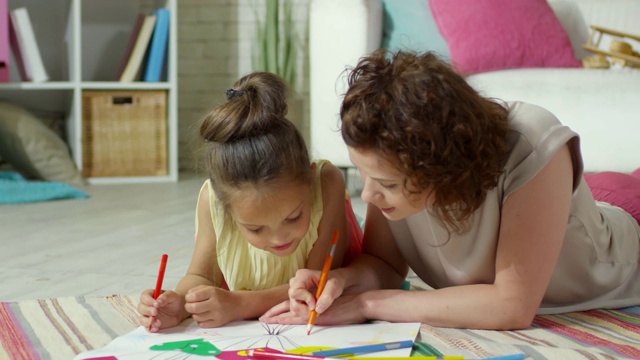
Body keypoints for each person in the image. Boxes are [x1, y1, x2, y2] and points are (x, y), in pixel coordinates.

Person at [260, 50, 640, 330]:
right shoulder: (388, 164)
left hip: (622, 227)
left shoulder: (534, 145)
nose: (368, 196)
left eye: (387, 184)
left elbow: (510, 306)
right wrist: (341, 282)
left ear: (441, 166)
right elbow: (386, 265)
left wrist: (367, 304)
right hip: (579, 201)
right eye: (362, 174)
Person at [137, 72, 363, 331]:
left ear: (309, 180)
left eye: (293, 217)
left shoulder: (326, 183)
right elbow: (202, 276)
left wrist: (242, 304)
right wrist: (178, 304)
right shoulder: (212, 199)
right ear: (224, 206)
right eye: (255, 228)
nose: (279, 238)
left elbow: (317, 284)